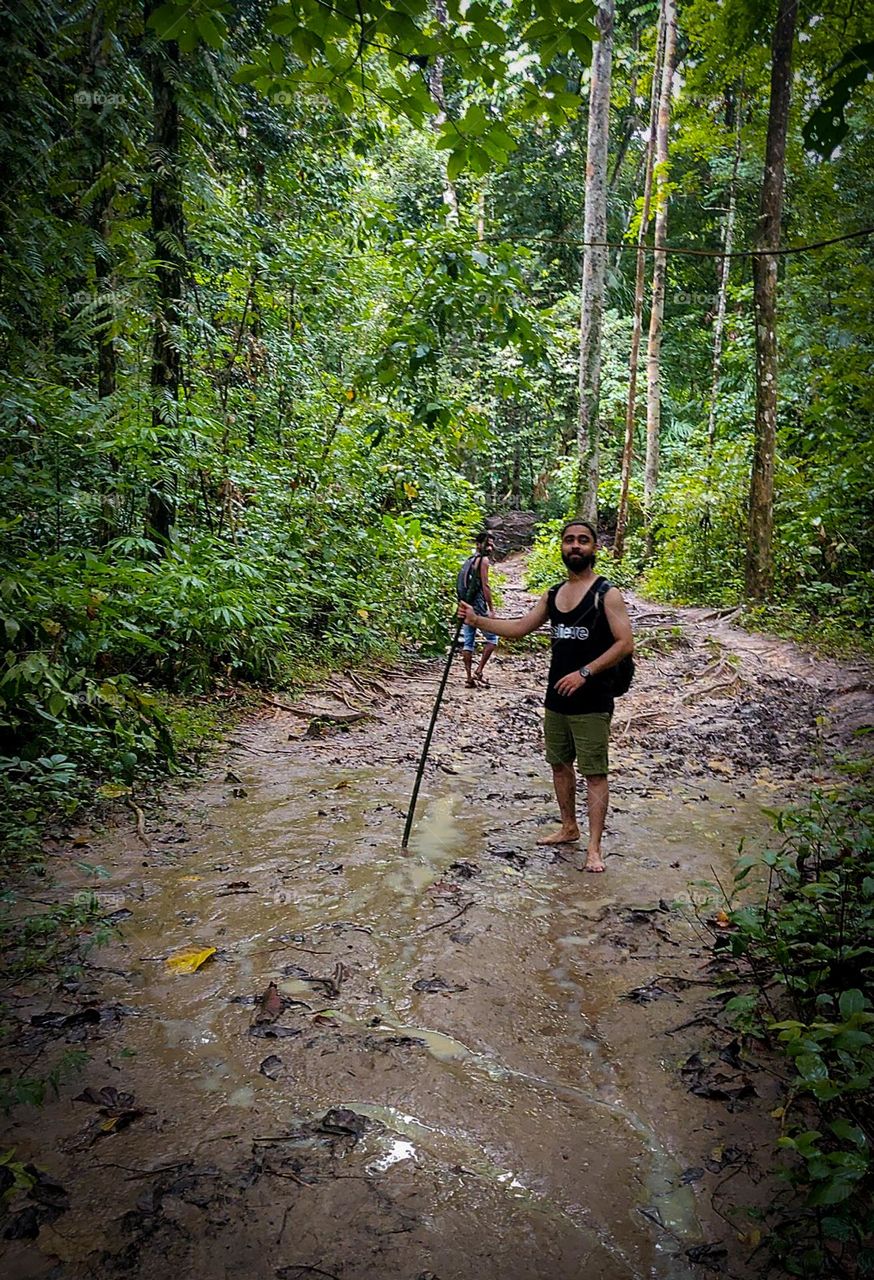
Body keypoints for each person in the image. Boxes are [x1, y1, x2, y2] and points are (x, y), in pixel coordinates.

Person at [457, 519, 634, 872]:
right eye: (569, 540)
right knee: (559, 763)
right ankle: (569, 826)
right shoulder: (554, 595)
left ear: (594, 548)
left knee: (594, 773)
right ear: (562, 548)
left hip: (593, 699)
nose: (575, 546)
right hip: (556, 698)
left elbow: (625, 643)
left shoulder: (606, 594)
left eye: (583, 540)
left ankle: (594, 848)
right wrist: (477, 621)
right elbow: (520, 628)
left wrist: (585, 673)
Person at [457, 530, 499, 689]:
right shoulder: (483, 561)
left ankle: (468, 677)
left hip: (467, 605)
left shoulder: (469, 560)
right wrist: (490, 609)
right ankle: (479, 671)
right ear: (478, 544)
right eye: (487, 544)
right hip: (478, 607)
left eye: (492, 544)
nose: (490, 547)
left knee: (468, 643)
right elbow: (485, 586)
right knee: (492, 639)